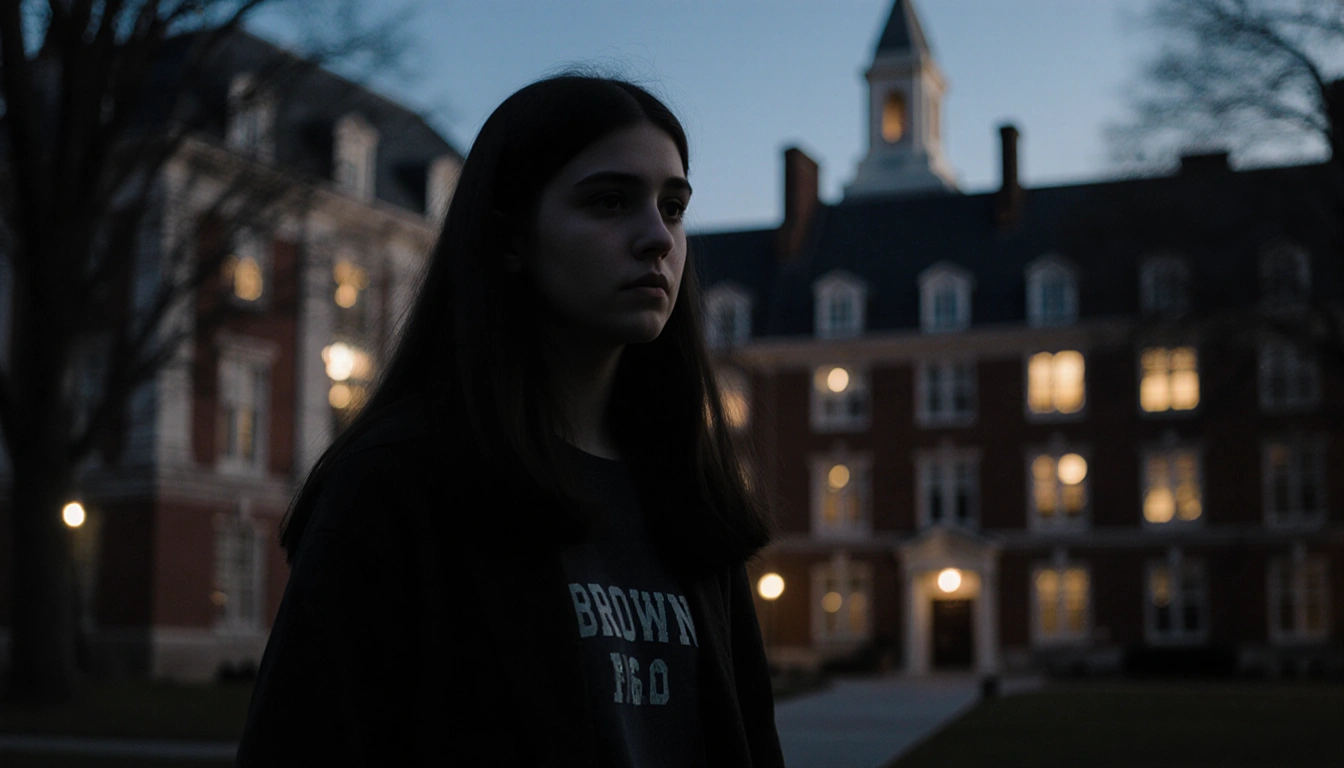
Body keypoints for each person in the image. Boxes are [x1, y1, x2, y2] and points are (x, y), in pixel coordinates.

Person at [235, 73, 785, 767]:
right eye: (610, 201)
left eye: (673, 208)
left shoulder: (688, 495)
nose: (657, 238)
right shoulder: (394, 485)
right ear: (510, 238)